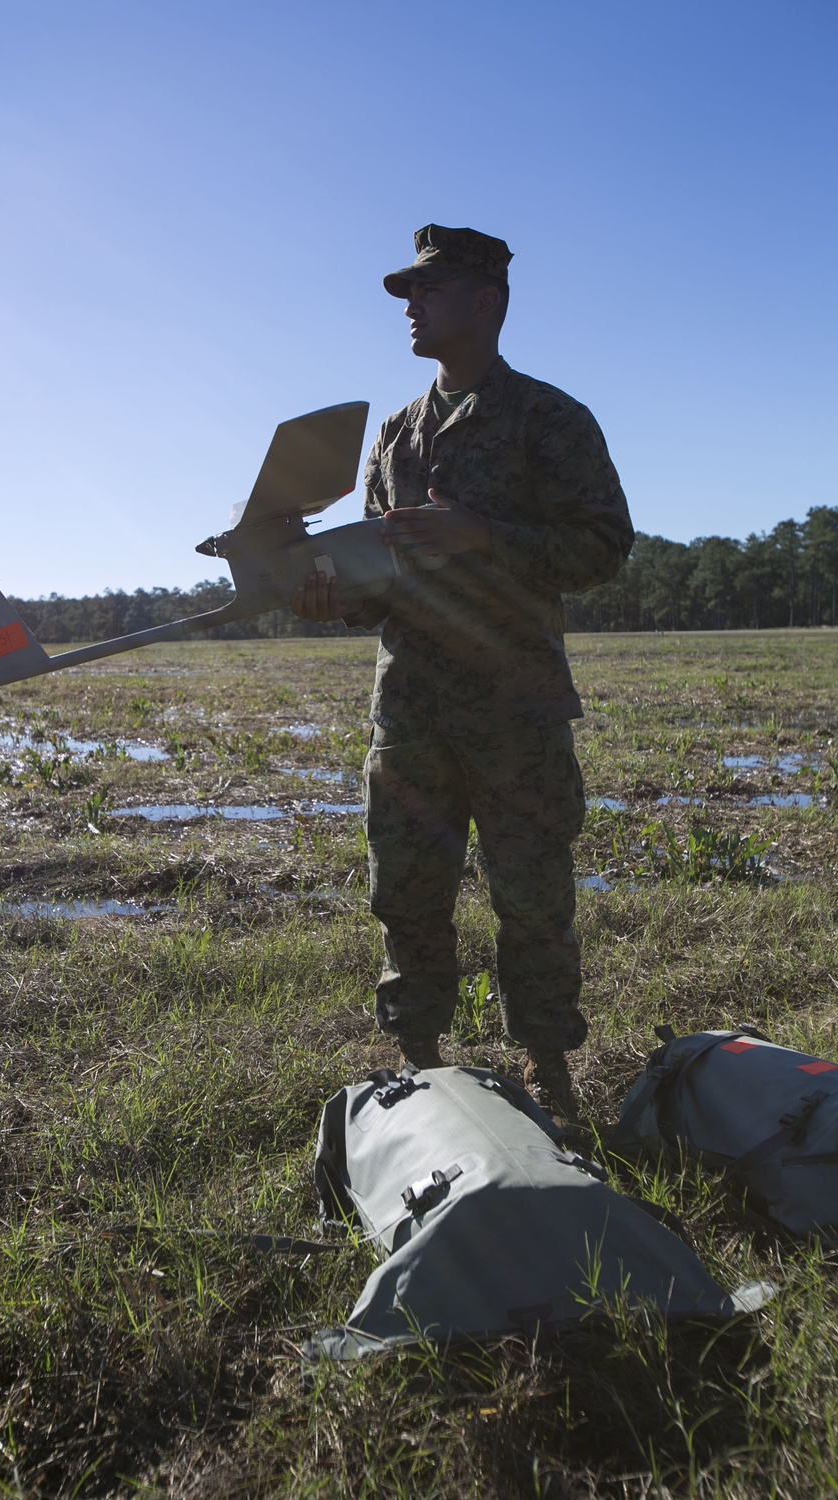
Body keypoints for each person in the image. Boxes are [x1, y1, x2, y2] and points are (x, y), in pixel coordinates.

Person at [292, 224, 633, 1116]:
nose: (410, 306)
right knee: (404, 889)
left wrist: (483, 534)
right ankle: (421, 1071)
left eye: (428, 291)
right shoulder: (397, 436)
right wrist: (330, 597)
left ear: (487, 302)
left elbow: (602, 546)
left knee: (533, 898)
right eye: (407, 293)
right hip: (408, 711)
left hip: (516, 710)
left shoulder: (549, 420)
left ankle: (551, 1079)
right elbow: (375, 582)